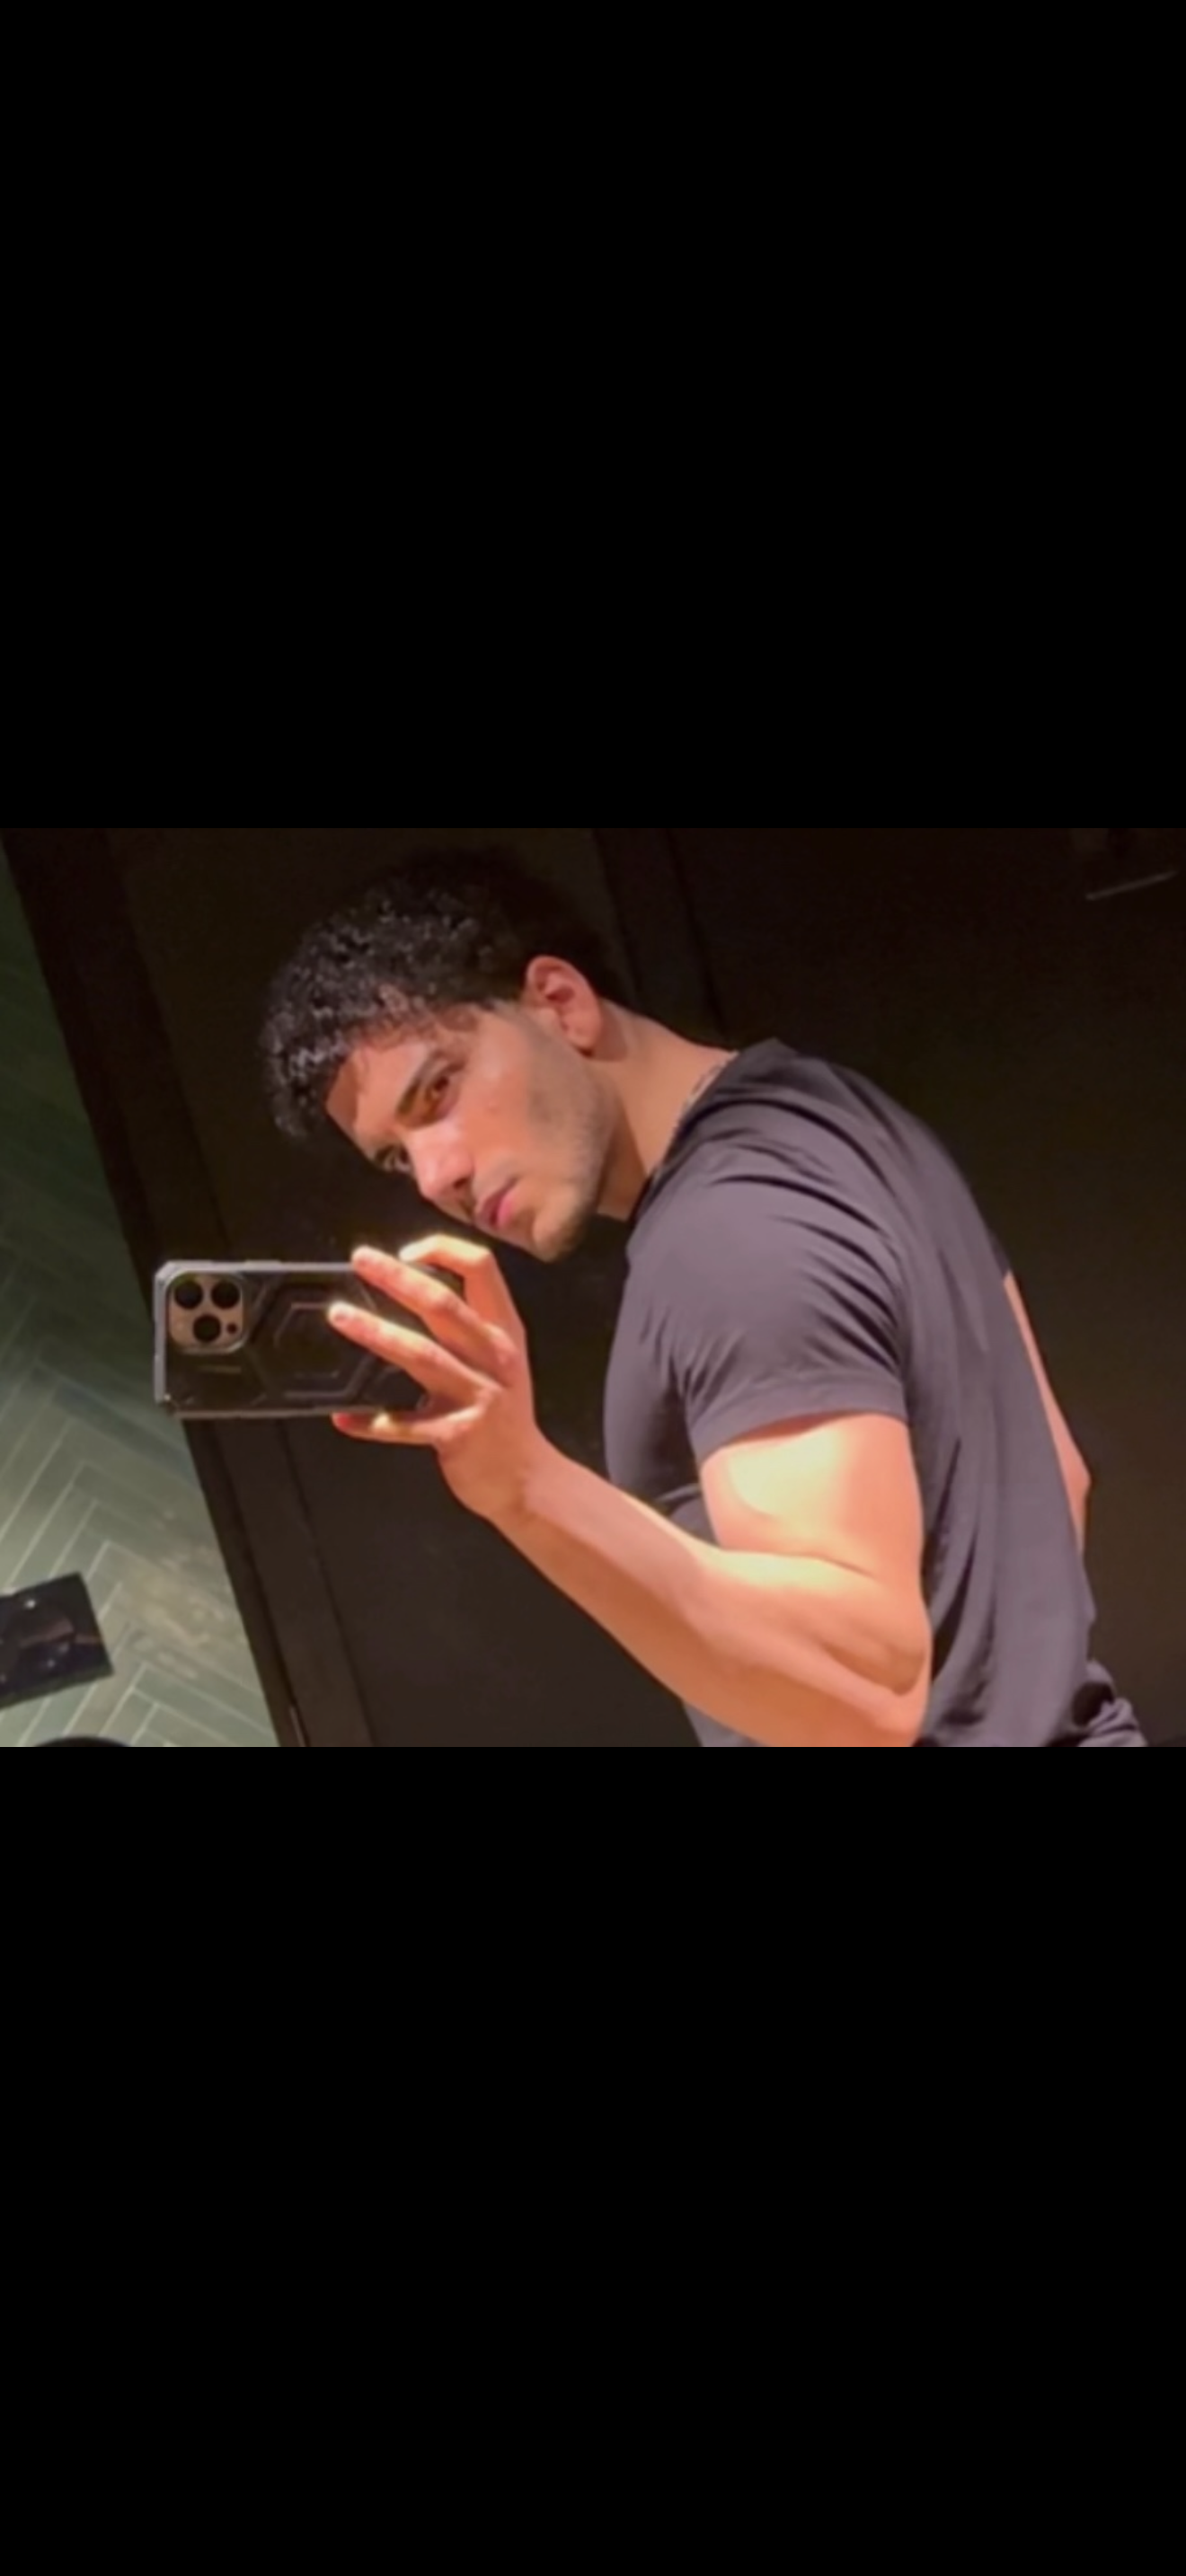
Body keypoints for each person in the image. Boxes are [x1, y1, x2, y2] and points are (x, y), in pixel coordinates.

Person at [261, 848, 1143, 1750]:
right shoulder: (840, 1115)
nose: (434, 1174)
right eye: (396, 1156)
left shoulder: (726, 1234)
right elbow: (1057, 1480)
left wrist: (524, 1485)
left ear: (560, 1002)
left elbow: (868, 1689)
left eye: (439, 1090)